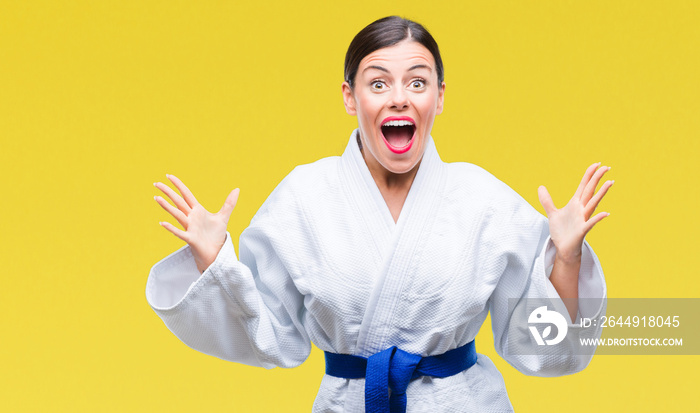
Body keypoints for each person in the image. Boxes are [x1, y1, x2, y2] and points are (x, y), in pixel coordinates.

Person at [146, 16, 611, 412]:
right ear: (351, 98)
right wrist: (215, 263)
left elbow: (545, 346)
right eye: (378, 82)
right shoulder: (303, 198)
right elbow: (272, 336)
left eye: (417, 81)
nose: (399, 97)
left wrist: (566, 259)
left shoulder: (482, 198)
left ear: (439, 97)